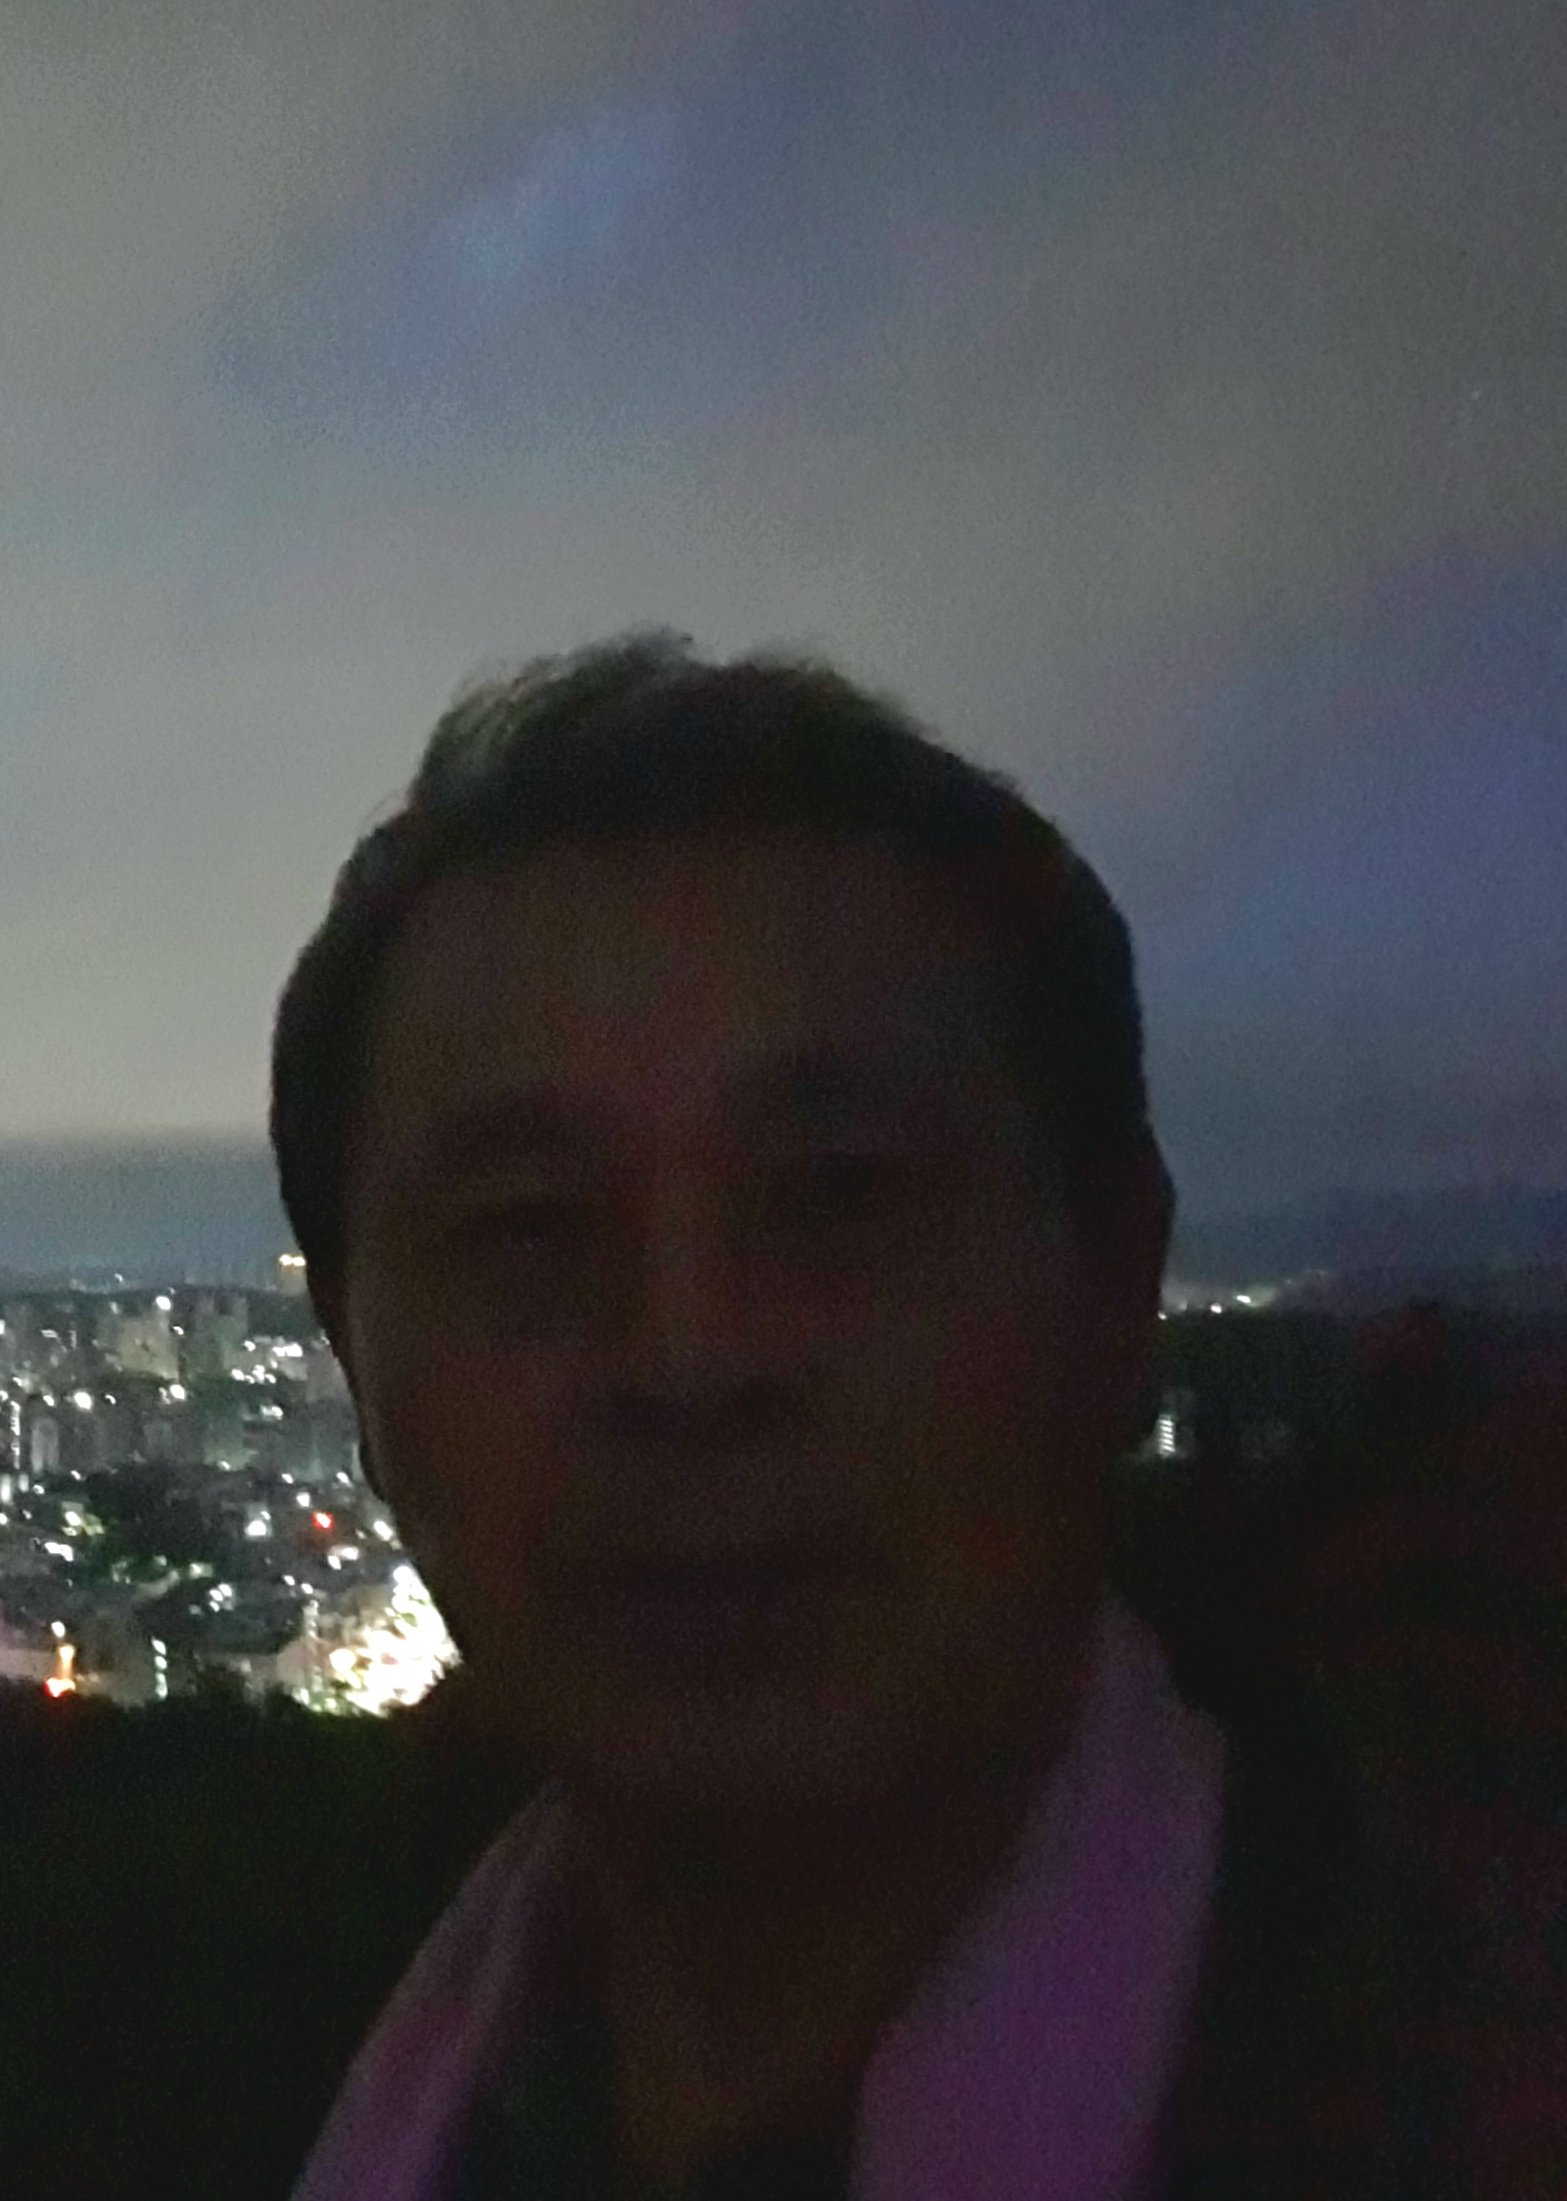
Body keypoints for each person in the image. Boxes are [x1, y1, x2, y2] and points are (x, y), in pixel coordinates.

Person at [273, 636, 1544, 2200]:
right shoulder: (272, 2057)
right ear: (353, 1361)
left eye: (838, 1196)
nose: (689, 1357)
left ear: (1113, 1281)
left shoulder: (1461, 2065)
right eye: (527, 1229)